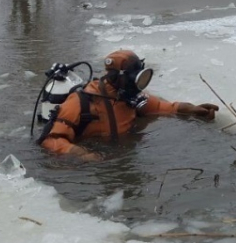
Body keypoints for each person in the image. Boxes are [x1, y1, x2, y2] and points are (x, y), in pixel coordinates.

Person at [39, 50, 219, 161]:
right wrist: (81, 154)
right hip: (98, 155)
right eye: (135, 79)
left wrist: (192, 109)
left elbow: (163, 107)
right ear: (117, 77)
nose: (138, 86)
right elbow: (50, 140)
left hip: (123, 150)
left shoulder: (129, 96)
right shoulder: (80, 103)